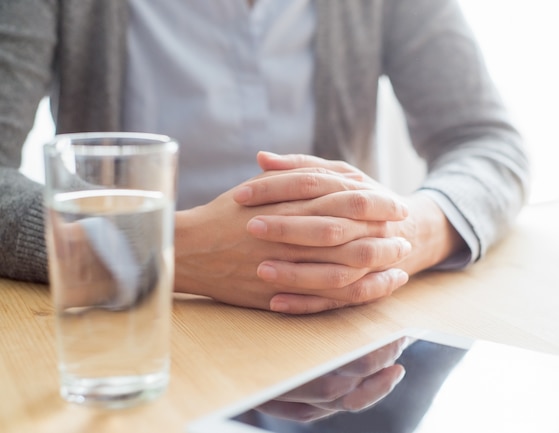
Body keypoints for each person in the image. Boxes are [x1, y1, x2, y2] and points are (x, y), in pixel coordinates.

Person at [0, 0, 529, 314]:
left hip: (333, 329)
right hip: (131, 324)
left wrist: (402, 235)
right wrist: (170, 251)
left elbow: (486, 140)